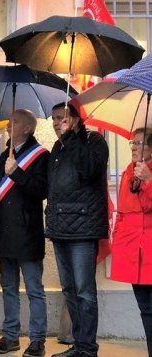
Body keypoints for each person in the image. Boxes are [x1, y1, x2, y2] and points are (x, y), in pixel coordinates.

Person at [46, 102, 109, 357]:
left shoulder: (94, 141)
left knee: (84, 291)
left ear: (75, 119)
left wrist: (72, 137)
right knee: (69, 289)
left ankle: (88, 348)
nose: (56, 123)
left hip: (83, 228)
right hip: (60, 227)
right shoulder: (57, 147)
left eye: (61, 118)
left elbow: (89, 170)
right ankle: (78, 344)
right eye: (53, 119)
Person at [0, 109, 49, 357]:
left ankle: (37, 340)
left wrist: (17, 173)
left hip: (28, 232)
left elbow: (42, 191)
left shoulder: (42, 155)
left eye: (13, 123)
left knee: (34, 290)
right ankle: (10, 336)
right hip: (5, 233)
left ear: (27, 128)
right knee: (8, 287)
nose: (7, 127)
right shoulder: (6, 154)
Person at [110, 127, 152, 357]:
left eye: (140, 143)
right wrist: (118, 239)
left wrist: (149, 180)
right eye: (132, 143)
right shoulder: (128, 172)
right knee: (145, 308)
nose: (134, 147)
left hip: (150, 247)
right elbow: (124, 210)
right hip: (131, 248)